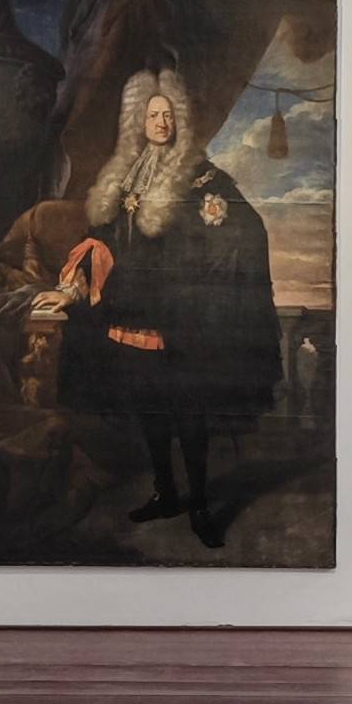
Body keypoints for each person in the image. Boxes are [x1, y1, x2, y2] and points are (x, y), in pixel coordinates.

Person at [42, 64, 280, 548]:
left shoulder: (201, 178)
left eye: (169, 114)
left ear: (180, 121)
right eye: (153, 115)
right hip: (131, 317)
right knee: (150, 412)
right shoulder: (123, 177)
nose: (161, 122)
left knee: (190, 417)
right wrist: (70, 290)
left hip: (184, 323)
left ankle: (200, 504)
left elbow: (246, 230)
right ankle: (166, 492)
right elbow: (98, 243)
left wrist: (201, 286)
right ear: (139, 121)